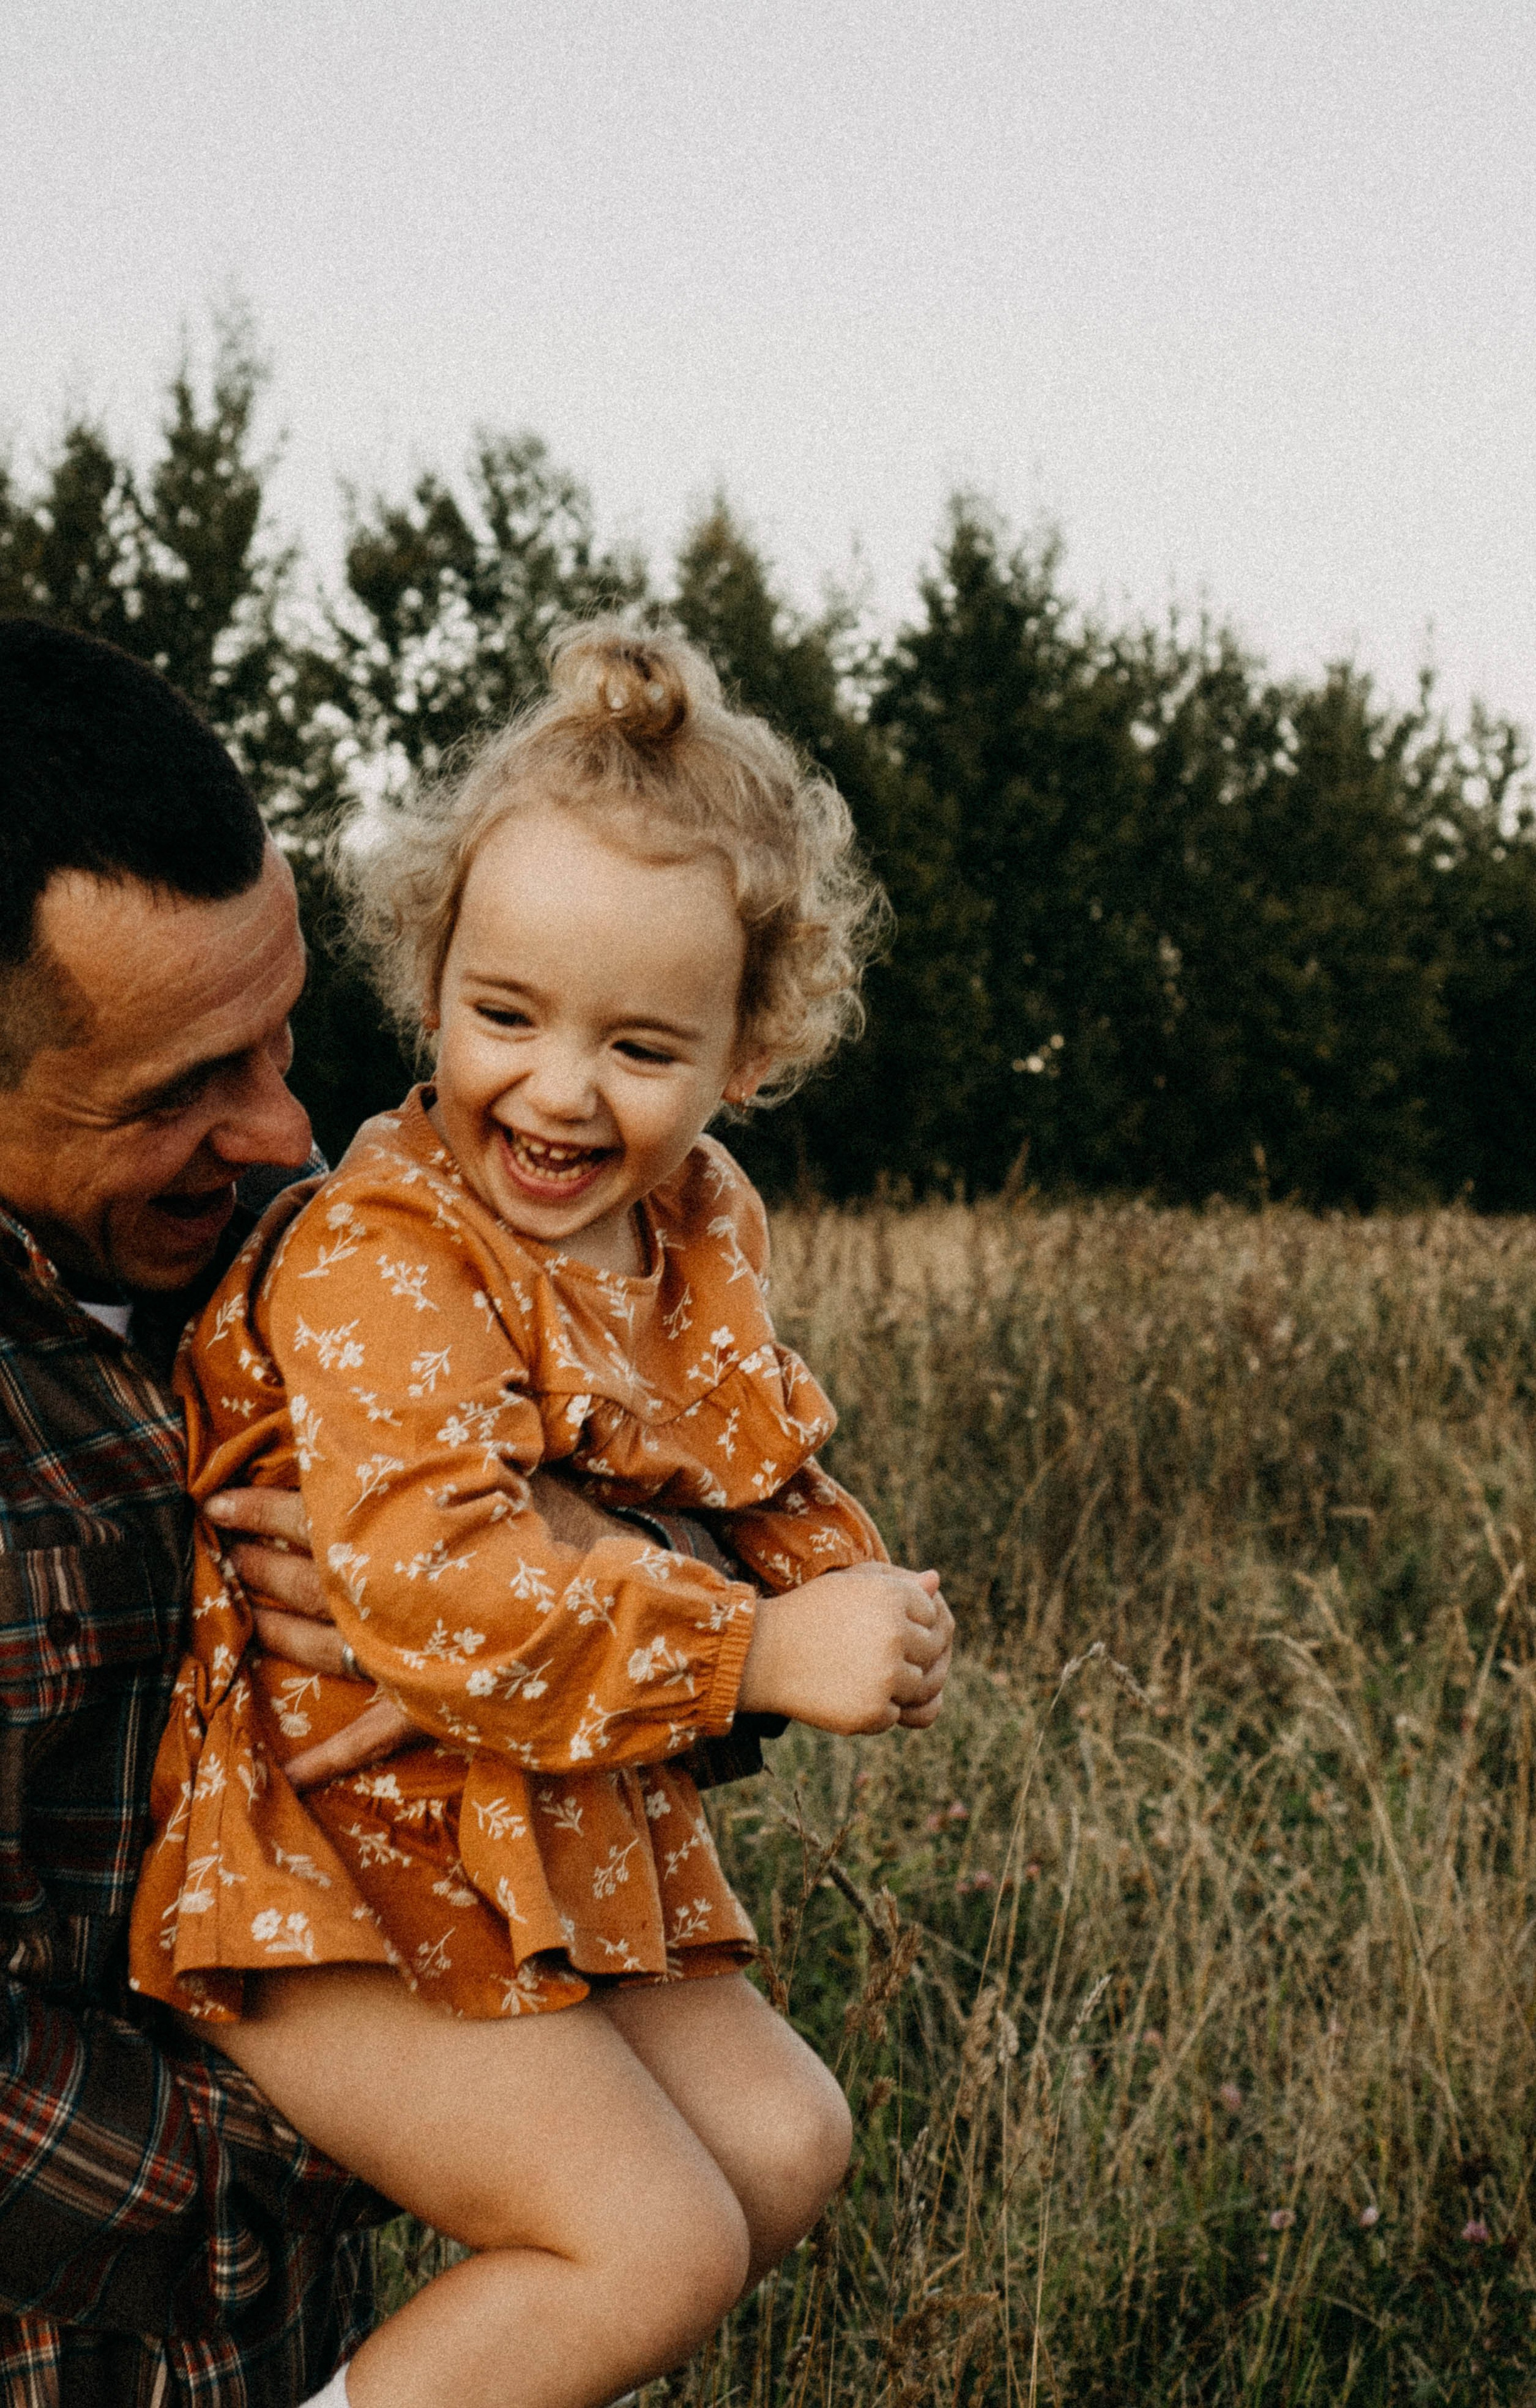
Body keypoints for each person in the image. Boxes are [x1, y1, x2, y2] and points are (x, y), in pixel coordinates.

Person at [129, 622, 955, 2408]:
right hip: (333, 1852)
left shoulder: (696, 1224)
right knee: (646, 2239)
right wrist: (752, 1651)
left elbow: (746, 1453)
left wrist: (850, 1581)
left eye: (643, 1044)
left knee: (785, 2145)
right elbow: (443, 1604)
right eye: (507, 1015)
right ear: (430, 985)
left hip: (545, 1817)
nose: (562, 1089)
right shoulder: (380, 1251)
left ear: (750, 1050)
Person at [0, 616, 398, 2407]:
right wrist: (337, 2145)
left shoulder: (322, 1267)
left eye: (282, 1038)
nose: (287, 1130)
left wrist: (542, 1592)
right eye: (181, 1092)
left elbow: (685, 1515)